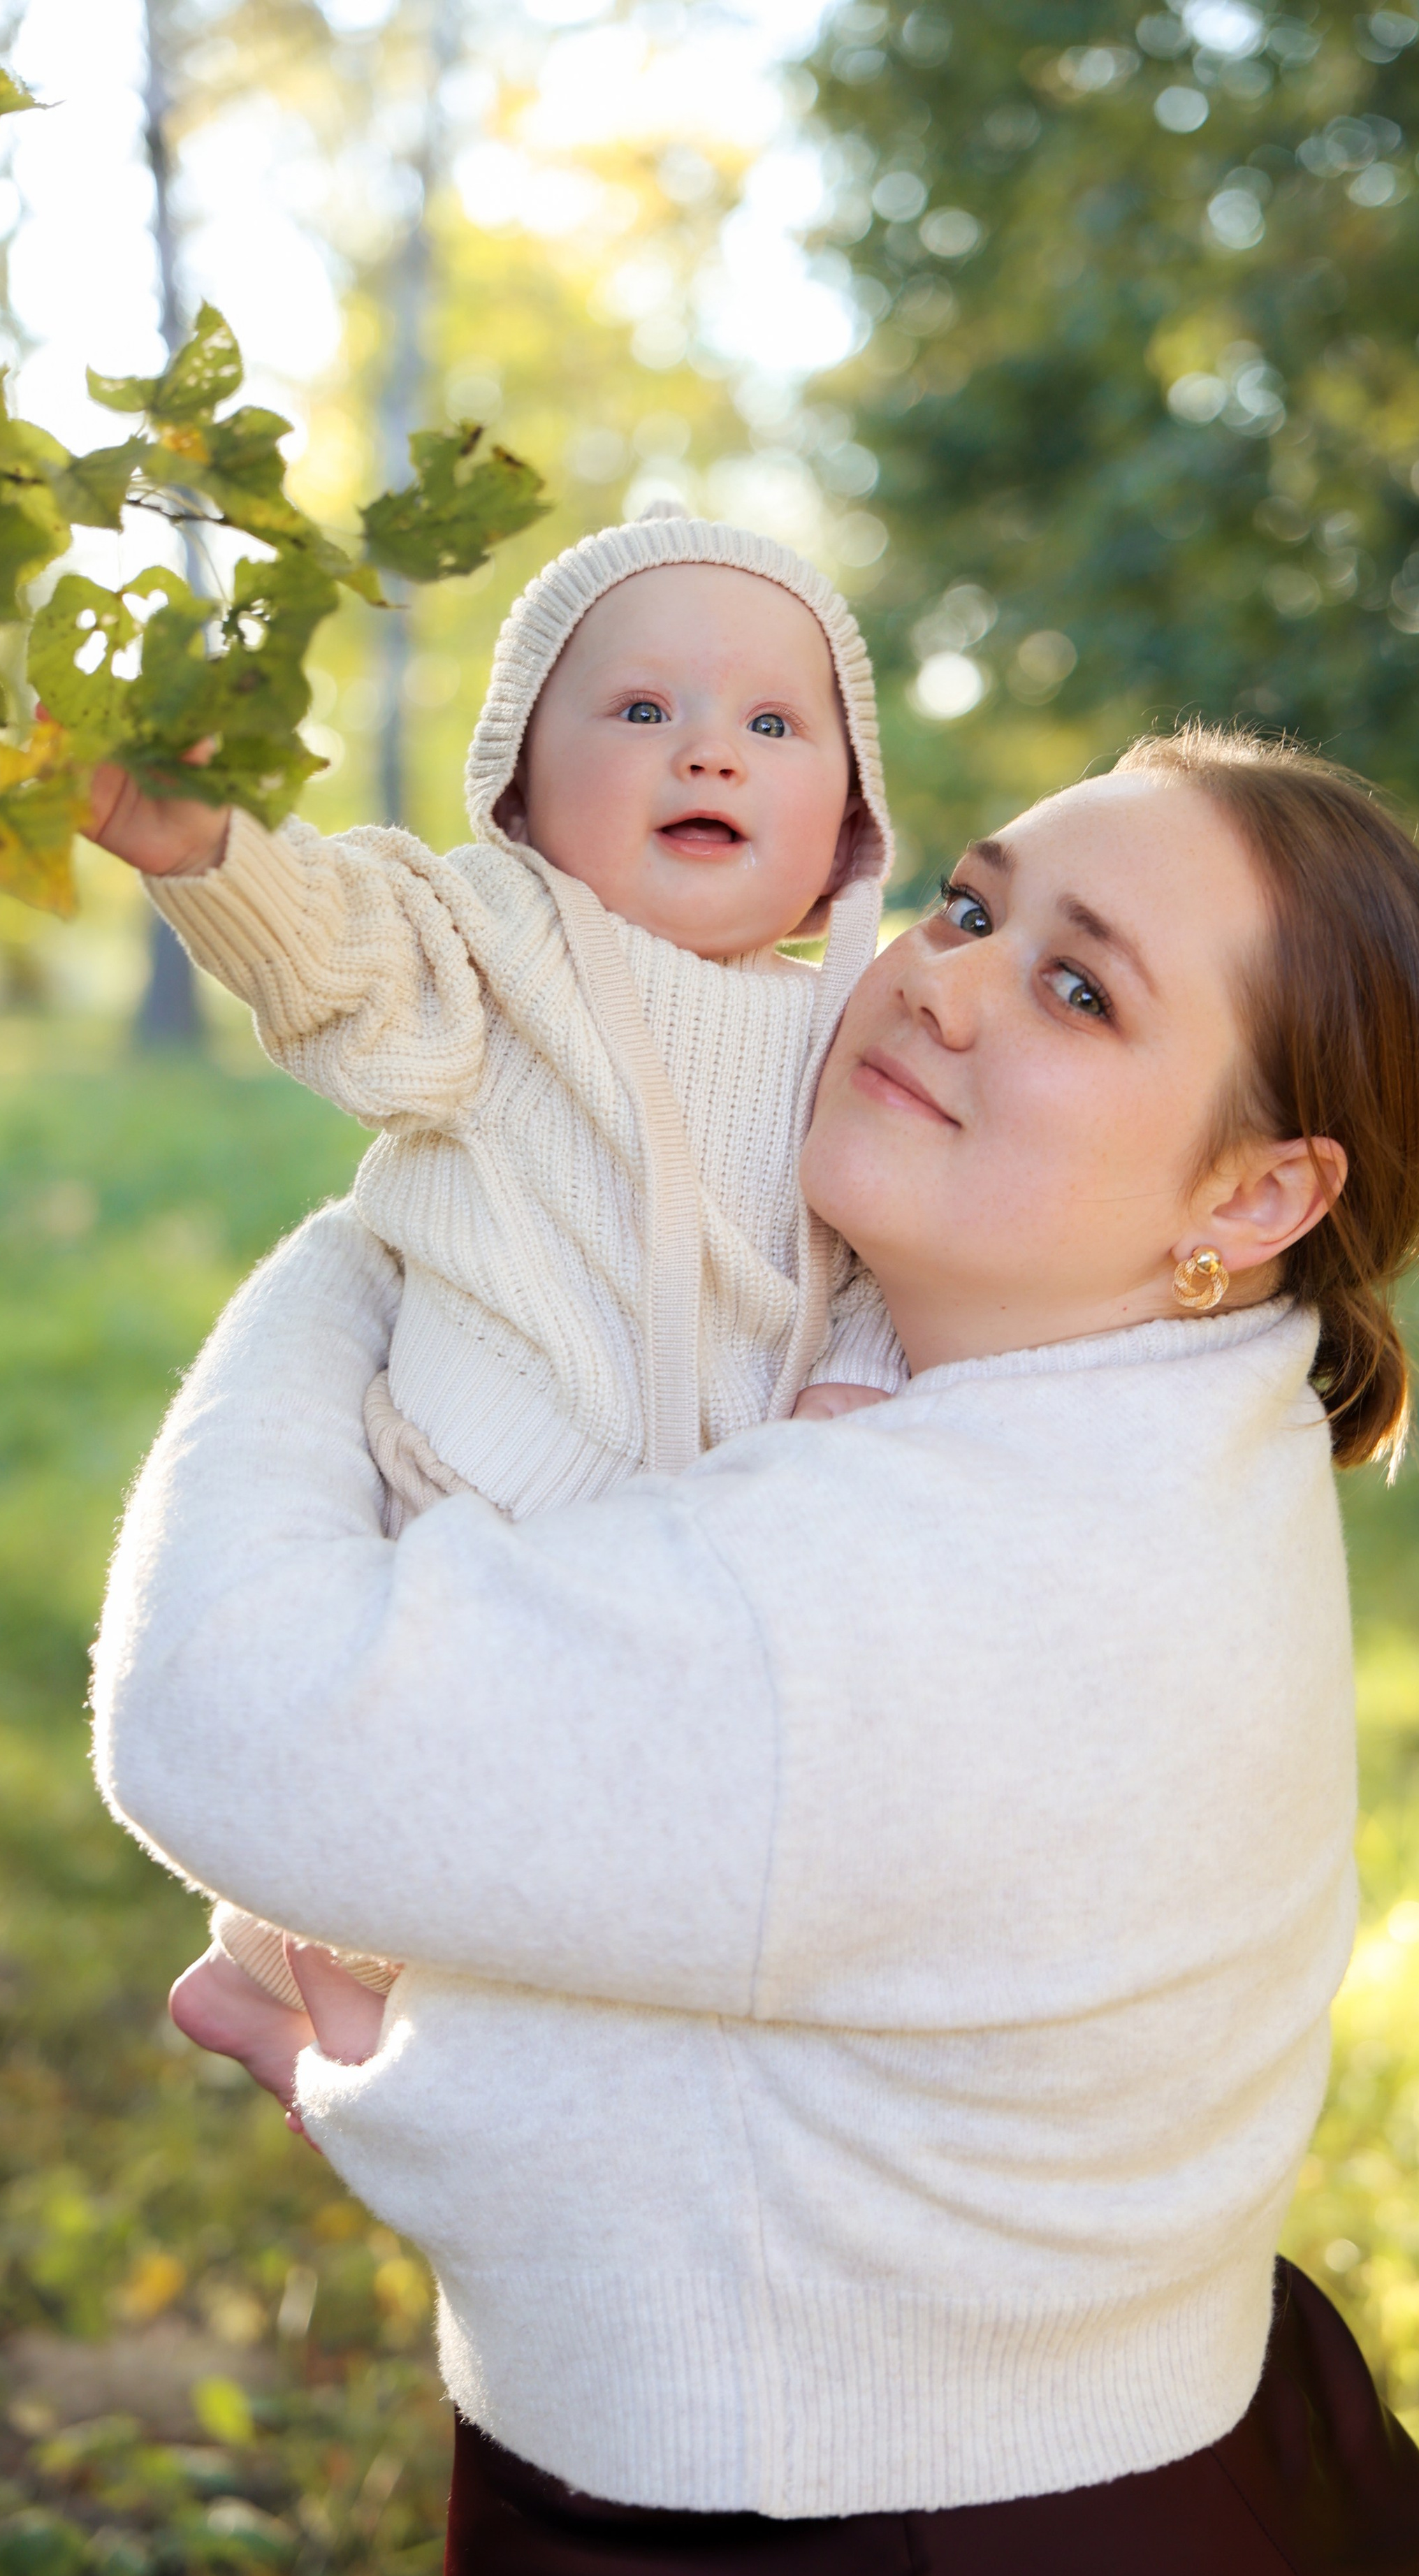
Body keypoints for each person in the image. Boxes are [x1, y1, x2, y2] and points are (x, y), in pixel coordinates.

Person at [94, 725, 1419, 2576]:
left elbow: (230, 1714)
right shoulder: (1185, 1414)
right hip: (1128, 2461)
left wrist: (385, 1234)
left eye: (1081, 990)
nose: (948, 977)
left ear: (1258, 1197)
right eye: (973, 902)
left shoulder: (902, 1585)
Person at [82, 507, 903, 2080]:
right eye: (643, 711)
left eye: (772, 724)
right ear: (521, 785)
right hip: (479, 1508)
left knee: (657, 1905)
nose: (707, 755)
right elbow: (342, 955)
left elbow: (908, 1248)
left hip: (718, 1555)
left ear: (848, 825)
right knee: (417, 1838)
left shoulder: (854, 1037)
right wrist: (215, 854)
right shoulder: (482, 943)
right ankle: (295, 1977)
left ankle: (361, 2012)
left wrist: (860, 1363)